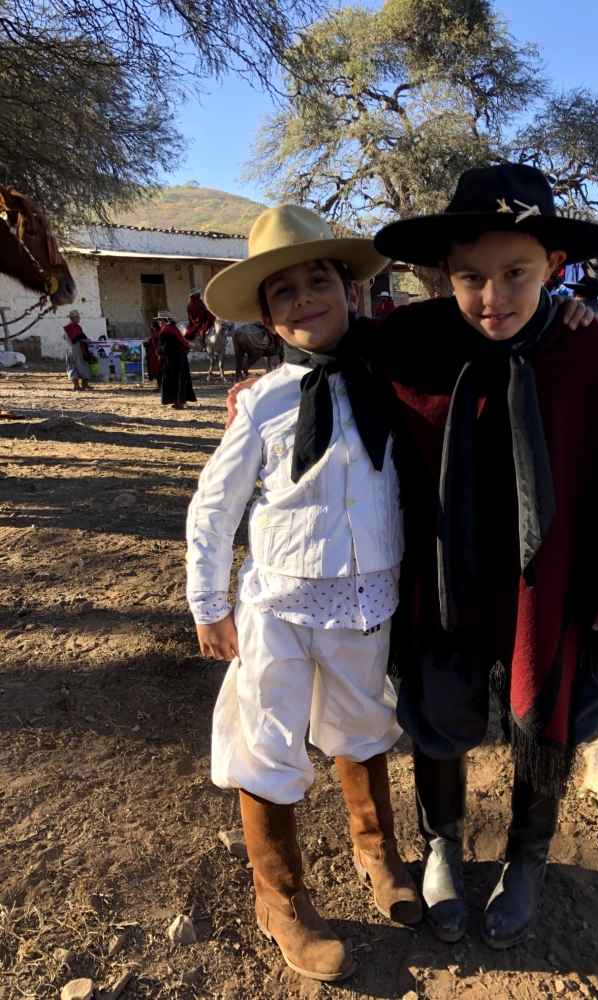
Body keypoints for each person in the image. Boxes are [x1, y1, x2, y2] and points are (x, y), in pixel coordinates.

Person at [362, 164, 598, 948]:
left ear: (554, 266)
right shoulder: (411, 344)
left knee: (546, 704)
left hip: (552, 583)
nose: (493, 298)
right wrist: (268, 384)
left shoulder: (597, 357)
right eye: (470, 277)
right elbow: (327, 352)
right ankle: (442, 841)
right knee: (439, 705)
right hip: (445, 578)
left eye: (517, 273)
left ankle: (528, 854)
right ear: (442, 274)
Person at [187, 205, 423, 983]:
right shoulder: (261, 402)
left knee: (362, 722)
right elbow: (215, 507)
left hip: (366, 596)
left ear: (351, 289)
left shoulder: (388, 376)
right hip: (278, 604)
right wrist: (209, 601)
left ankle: (374, 848)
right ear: (265, 316)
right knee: (269, 736)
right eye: (281, 291)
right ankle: (279, 894)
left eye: (316, 279)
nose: (301, 298)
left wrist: (572, 305)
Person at [154, 310, 197, 410]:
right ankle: (178, 400)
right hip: (179, 357)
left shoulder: (166, 330)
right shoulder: (172, 328)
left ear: (165, 320)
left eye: (160, 320)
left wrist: (158, 351)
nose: (159, 322)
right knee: (178, 379)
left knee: (175, 379)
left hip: (173, 358)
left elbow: (167, 346)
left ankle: (179, 402)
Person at [63, 309, 94, 390]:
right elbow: (81, 338)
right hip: (78, 349)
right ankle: (85, 384)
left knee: (72, 366)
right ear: (74, 317)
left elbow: (64, 337)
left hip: (69, 349)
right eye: (78, 317)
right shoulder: (75, 327)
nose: (79, 318)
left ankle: (76, 385)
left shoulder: (67, 327)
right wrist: (89, 341)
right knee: (83, 365)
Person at [143, 319, 162, 389]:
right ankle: (159, 385)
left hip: (156, 355)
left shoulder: (158, 333)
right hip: (153, 355)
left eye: (152, 326)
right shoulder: (156, 333)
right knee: (157, 371)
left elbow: (156, 344)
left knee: (159, 371)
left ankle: (160, 386)